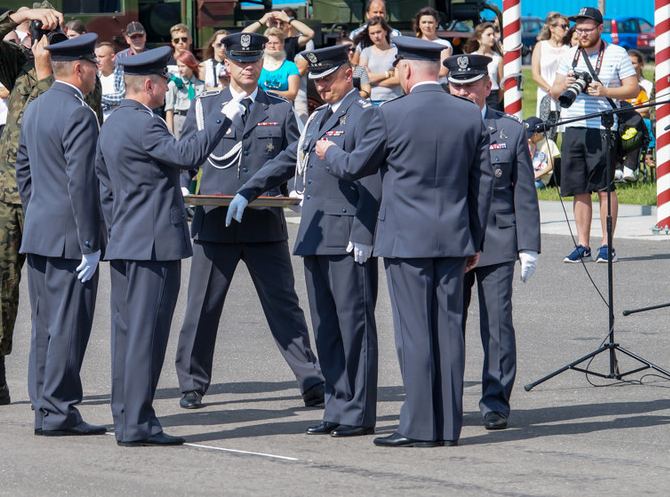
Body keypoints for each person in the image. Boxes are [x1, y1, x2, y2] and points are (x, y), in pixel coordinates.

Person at [315, 36, 493, 447]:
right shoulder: (469, 115)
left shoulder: (390, 113)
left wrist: (328, 152)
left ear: (407, 70)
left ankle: (419, 427)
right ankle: (447, 427)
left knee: (414, 334)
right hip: (455, 239)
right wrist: (475, 239)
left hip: (406, 240)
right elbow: (482, 184)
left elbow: (356, 165)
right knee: (449, 332)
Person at [226, 44, 383, 437]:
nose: (322, 86)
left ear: (347, 73)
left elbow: (373, 178)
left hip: (347, 238)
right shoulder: (317, 118)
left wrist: (365, 233)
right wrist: (249, 189)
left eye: (329, 78)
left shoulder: (364, 114)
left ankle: (358, 413)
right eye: (317, 80)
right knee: (326, 328)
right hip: (315, 234)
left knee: (354, 327)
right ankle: (336, 406)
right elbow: (288, 159)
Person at [0, 4, 103, 410]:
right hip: (6, 196)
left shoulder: (81, 83)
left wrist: (44, 74)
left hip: (49, 203)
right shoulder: (19, 65)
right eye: (42, 33)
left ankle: (51, 386)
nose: (47, 42)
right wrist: (21, 13)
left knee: (51, 297)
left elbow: (65, 119)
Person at [95, 47, 244, 447]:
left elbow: (103, 186)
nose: (167, 88)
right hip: (154, 245)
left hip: (126, 242)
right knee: (148, 336)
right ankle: (138, 423)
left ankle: (126, 416)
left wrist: (117, 230)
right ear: (149, 85)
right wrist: (224, 117)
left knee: (127, 336)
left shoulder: (113, 122)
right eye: (163, 82)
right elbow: (187, 155)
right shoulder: (146, 123)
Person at [175, 32, 324, 411]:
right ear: (226, 64)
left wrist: (296, 191)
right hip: (214, 221)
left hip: (263, 222)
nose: (247, 67)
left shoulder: (279, 107)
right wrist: (182, 189)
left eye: (254, 60)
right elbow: (186, 155)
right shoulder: (205, 105)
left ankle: (310, 378)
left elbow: (296, 157)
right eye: (240, 61)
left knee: (285, 306)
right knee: (202, 308)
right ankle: (192, 382)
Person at [445, 53, 541, 432]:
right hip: (450, 240)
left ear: (488, 86)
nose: (463, 92)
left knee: (497, 324)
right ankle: (446, 399)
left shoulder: (510, 130)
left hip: (497, 238)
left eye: (471, 85)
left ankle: (496, 400)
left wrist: (528, 244)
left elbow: (524, 193)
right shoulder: (438, 128)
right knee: (449, 323)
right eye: (456, 86)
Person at [15, 32, 104, 437]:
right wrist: (89, 243)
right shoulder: (80, 113)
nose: (97, 73)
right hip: (70, 236)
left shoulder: (35, 106)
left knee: (45, 325)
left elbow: (23, 170)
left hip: (40, 230)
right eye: (94, 66)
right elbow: (81, 183)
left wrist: (38, 211)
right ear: (80, 69)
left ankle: (43, 403)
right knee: (69, 326)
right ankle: (58, 411)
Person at [549, 7, 638, 263]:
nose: (582, 34)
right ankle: (582, 245)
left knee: (604, 188)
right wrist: (564, 86)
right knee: (578, 188)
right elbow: (554, 91)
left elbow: (632, 89)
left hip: (602, 127)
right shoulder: (570, 55)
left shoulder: (617, 53)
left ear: (600, 28)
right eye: (579, 29)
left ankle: (607, 245)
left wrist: (605, 91)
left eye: (588, 29)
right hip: (572, 125)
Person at [617, 49, 654, 182]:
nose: (630, 66)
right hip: (622, 121)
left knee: (636, 126)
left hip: (639, 122)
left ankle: (630, 167)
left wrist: (631, 112)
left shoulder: (645, 87)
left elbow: (649, 108)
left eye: (633, 63)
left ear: (641, 64)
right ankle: (618, 166)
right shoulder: (618, 86)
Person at [531, 12, 570, 117]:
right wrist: (551, 90)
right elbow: (535, 75)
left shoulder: (569, 47)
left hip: (565, 95)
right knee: (546, 125)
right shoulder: (541, 46)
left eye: (568, 26)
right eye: (563, 26)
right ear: (552, 28)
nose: (567, 29)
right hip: (545, 94)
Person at [358, 17, 402, 106]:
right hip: (371, 101)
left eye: (378, 32)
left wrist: (372, 80)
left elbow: (398, 79)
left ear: (385, 31)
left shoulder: (397, 52)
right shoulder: (366, 52)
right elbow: (361, 78)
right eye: (372, 33)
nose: (376, 36)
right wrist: (388, 74)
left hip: (393, 100)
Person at [242, 8, 315, 61]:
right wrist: (262, 20)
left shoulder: (290, 42)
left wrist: (287, 19)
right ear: (267, 23)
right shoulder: (261, 42)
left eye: (281, 23)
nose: (278, 26)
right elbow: (244, 36)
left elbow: (310, 33)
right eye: (274, 23)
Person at [165, 50, 205, 138]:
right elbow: (169, 110)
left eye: (183, 66)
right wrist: (170, 133)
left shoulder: (200, 85)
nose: (180, 69)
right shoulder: (173, 85)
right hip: (180, 119)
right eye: (178, 66)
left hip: (196, 119)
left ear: (191, 66)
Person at [465, 22, 504, 111]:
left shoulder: (497, 58)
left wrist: (496, 100)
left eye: (493, 34)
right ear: (479, 38)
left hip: (492, 97)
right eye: (488, 35)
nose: (492, 37)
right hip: (474, 95)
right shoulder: (471, 57)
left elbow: (501, 84)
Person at [259, 28, 299, 101]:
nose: (272, 46)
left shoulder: (290, 66)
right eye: (269, 43)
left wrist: (269, 93)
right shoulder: (258, 64)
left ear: (283, 44)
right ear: (265, 45)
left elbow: (292, 94)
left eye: (276, 43)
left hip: (283, 105)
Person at [413, 7, 452, 82]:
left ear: (436, 24)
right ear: (419, 25)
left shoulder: (444, 44)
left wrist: (418, 72)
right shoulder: (413, 44)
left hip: (438, 85)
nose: (427, 26)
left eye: (430, 22)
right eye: (424, 22)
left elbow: (443, 71)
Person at [525, 116, 560, 189]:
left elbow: (550, 166)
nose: (529, 138)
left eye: (530, 136)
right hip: (529, 177)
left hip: (540, 180)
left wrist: (536, 176)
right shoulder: (530, 144)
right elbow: (527, 163)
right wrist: (533, 150)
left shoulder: (549, 144)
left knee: (528, 188)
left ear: (536, 134)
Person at [95, 42, 125, 120]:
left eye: (101, 56)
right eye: (95, 56)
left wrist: (98, 97)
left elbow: (122, 98)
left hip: (117, 122)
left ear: (112, 57)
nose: (97, 60)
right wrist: (111, 104)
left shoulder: (122, 76)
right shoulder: (94, 77)